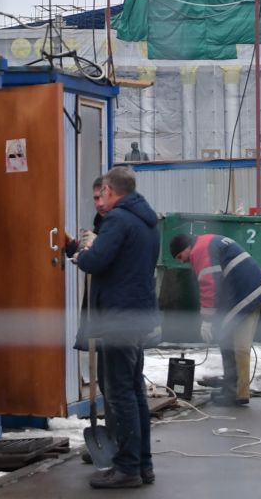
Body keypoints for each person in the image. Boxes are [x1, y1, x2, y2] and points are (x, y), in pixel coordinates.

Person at [63, 167, 160, 489]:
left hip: (117, 317)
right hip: (137, 315)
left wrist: (84, 252)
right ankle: (142, 464)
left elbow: (96, 262)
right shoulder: (147, 220)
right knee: (133, 392)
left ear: (108, 189)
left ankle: (127, 468)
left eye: (100, 193)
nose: (99, 200)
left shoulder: (119, 220)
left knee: (119, 394)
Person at [169, 231, 261, 407]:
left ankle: (238, 393)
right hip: (250, 291)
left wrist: (207, 320)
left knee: (238, 347)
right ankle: (232, 388)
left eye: (180, 256)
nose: (181, 261)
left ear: (186, 248)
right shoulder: (208, 241)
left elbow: (209, 284)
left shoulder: (200, 250)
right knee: (227, 340)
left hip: (247, 295)